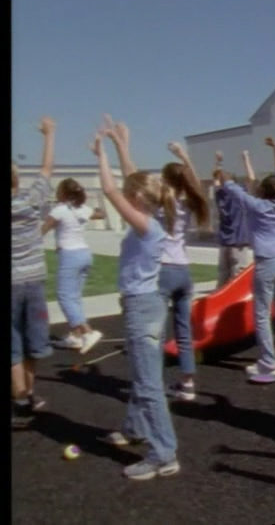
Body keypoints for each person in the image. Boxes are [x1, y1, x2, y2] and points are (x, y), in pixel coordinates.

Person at [91, 122, 179, 481]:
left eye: (132, 196)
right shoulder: (150, 219)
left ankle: (164, 455)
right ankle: (135, 428)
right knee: (146, 376)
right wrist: (121, 143)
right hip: (148, 304)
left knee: (147, 385)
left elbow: (111, 189)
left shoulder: (145, 226)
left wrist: (100, 153)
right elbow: (132, 180)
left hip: (142, 308)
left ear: (138, 201)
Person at [221, 138, 275, 384]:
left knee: (262, 313)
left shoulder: (255, 205)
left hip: (266, 261)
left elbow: (230, 187)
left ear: (263, 192)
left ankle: (268, 361)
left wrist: (221, 168)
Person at [12, 117, 57, 428]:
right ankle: (29, 393)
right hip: (34, 282)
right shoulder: (30, 201)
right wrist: (49, 135)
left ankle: (20, 401)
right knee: (32, 341)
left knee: (13, 345)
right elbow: (46, 169)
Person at [157, 141, 210, 401]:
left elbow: (132, 177)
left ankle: (152, 383)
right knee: (183, 330)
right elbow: (195, 185)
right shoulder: (189, 203)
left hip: (162, 270)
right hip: (183, 272)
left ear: (166, 181)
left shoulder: (160, 205)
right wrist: (184, 156)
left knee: (155, 331)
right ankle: (187, 383)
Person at [42, 178, 106, 354]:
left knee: (65, 296)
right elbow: (101, 214)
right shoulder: (83, 209)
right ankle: (75, 337)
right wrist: (95, 207)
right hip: (84, 254)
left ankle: (88, 331)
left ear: (63, 193)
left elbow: (43, 230)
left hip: (69, 256)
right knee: (74, 297)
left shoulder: (59, 210)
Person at [213, 150, 252, 289]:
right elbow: (251, 179)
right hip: (238, 240)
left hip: (225, 240)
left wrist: (218, 161)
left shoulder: (220, 194)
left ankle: (220, 295)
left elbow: (216, 179)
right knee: (238, 274)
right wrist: (246, 158)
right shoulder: (240, 194)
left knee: (223, 274)